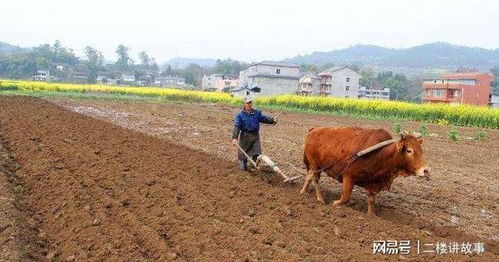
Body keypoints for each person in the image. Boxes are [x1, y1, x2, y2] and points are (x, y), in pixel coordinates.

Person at [232, 97, 277, 171]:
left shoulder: (256, 113)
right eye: (248, 103)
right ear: (244, 104)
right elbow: (237, 126)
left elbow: (264, 119)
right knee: (243, 154)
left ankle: (254, 167)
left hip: (255, 136)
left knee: (257, 152)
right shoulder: (240, 115)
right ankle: (244, 167)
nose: (249, 104)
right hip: (245, 136)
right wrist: (235, 138)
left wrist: (272, 120)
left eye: (250, 102)